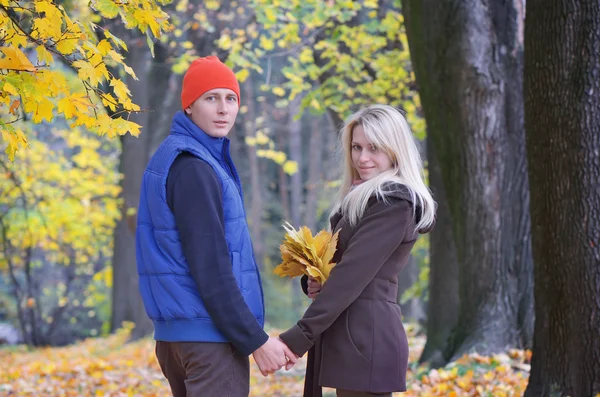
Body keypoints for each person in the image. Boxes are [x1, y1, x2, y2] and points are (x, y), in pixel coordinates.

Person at [135, 56, 296, 397]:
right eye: (211, 98)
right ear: (190, 106)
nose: (223, 109)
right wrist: (255, 340)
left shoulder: (176, 157)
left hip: (179, 337)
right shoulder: (194, 168)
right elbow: (211, 268)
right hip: (209, 341)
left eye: (231, 98)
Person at [279, 104, 436, 397]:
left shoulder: (393, 204)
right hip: (353, 339)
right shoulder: (362, 197)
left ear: (394, 150)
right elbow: (341, 264)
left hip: (367, 340)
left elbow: (352, 274)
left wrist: (299, 337)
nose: (362, 158)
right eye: (356, 147)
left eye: (374, 148)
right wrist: (316, 279)